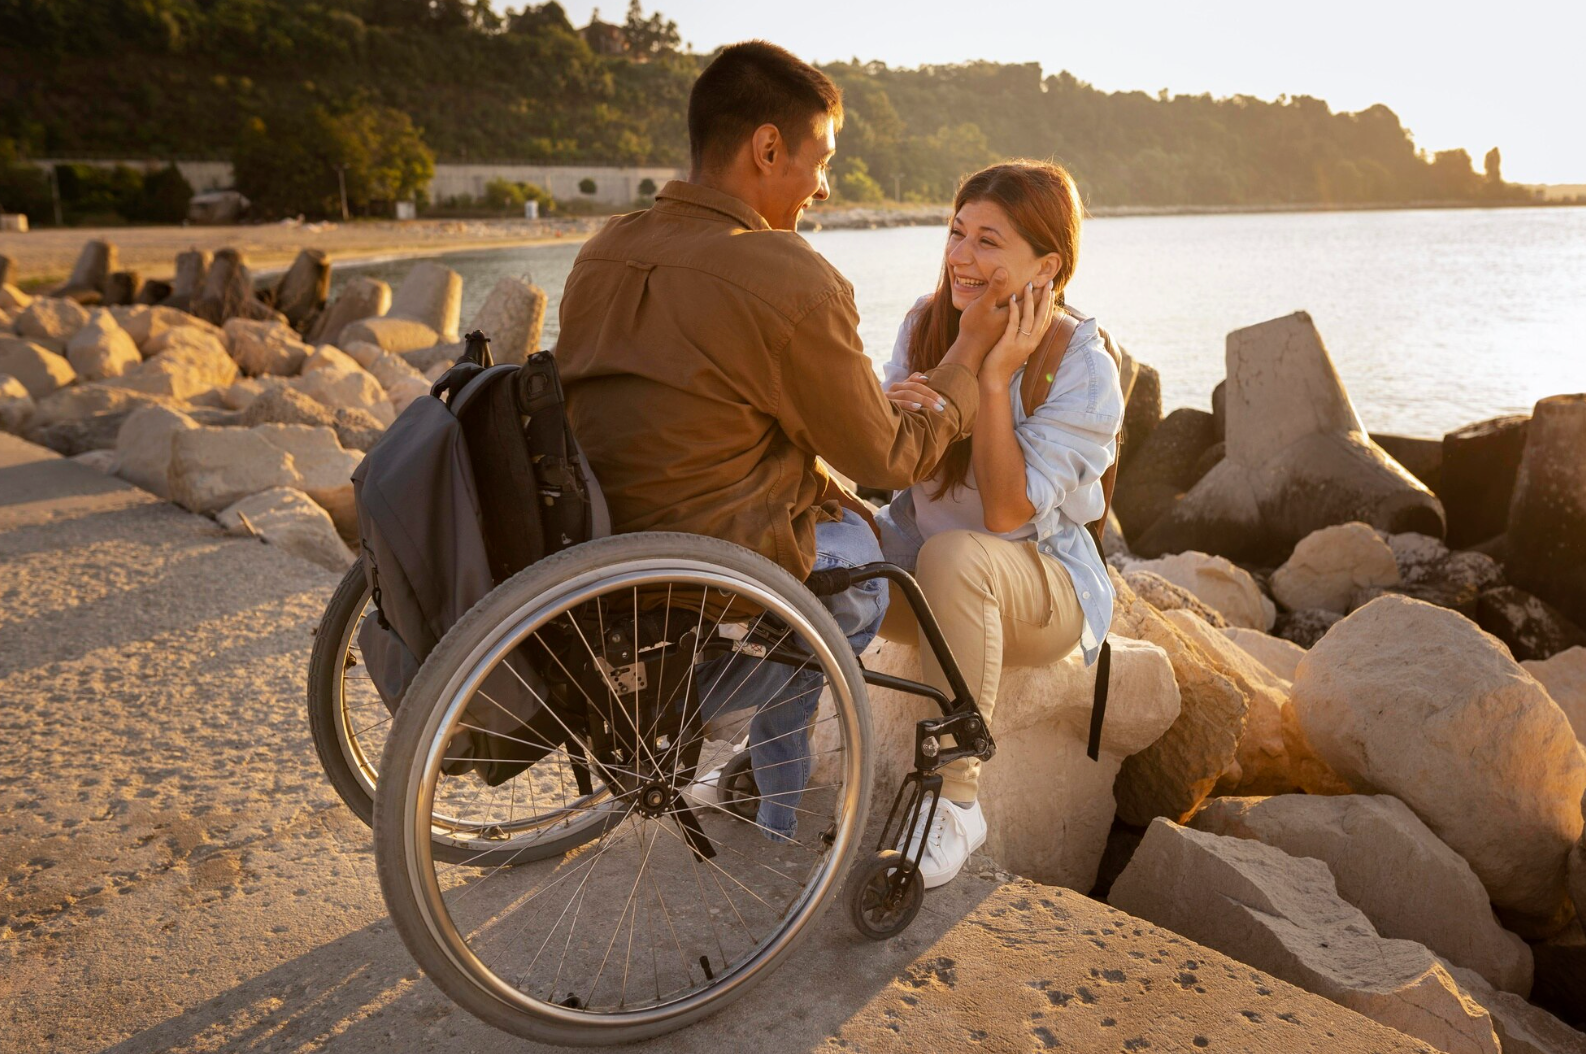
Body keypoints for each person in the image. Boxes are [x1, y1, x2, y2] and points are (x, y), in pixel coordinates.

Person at [554, 41, 1008, 841]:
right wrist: (966, 360)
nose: (825, 187)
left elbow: (692, 401)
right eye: (821, 160)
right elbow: (885, 460)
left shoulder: (605, 250)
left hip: (596, 547)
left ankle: (772, 795)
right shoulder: (785, 273)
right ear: (768, 149)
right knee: (862, 579)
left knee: (826, 547)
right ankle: (679, 733)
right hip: (705, 566)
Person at [875, 160, 1125, 887]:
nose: (961, 255)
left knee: (957, 555)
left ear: (1048, 264)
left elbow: (1007, 512)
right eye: (957, 232)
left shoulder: (1077, 361)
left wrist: (988, 380)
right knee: (816, 544)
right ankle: (758, 746)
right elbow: (893, 468)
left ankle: (955, 802)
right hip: (929, 572)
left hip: (1041, 592)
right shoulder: (927, 325)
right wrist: (888, 412)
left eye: (989, 241)